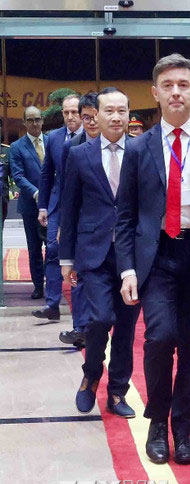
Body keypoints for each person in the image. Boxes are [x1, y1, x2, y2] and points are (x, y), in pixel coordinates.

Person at [115, 54, 190, 466]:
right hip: (157, 257)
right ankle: (157, 423)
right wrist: (128, 268)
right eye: (167, 86)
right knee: (159, 338)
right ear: (155, 93)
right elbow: (126, 216)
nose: (176, 92)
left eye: (183, 85)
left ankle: (183, 431)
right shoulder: (139, 148)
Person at [60, 87, 140, 418]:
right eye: (110, 111)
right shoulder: (80, 155)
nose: (117, 117)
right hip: (93, 253)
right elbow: (69, 207)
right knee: (100, 318)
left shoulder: (141, 152)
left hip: (132, 255)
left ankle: (118, 392)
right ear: (97, 114)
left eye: (122, 111)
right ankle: (92, 374)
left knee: (125, 326)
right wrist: (66, 258)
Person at [33, 93, 82, 326]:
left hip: (84, 206)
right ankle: (52, 304)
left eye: (74, 112)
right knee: (52, 250)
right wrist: (43, 205)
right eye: (66, 112)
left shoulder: (91, 136)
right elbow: (46, 174)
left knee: (80, 256)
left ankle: (83, 311)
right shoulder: (53, 137)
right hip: (57, 204)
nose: (70, 117)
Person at [9, 106, 47, 301]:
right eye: (30, 120)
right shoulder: (16, 147)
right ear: (24, 123)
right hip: (30, 205)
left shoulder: (51, 142)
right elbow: (18, 176)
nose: (35, 123)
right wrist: (36, 192)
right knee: (34, 248)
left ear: (43, 121)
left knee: (54, 247)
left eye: (38, 119)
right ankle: (39, 286)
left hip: (52, 206)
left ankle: (54, 284)